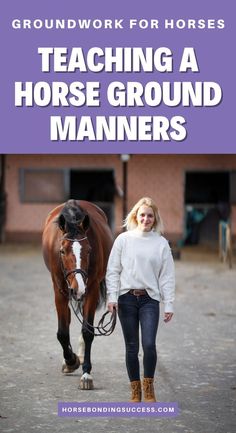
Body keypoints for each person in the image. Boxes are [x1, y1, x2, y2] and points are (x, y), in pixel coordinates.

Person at [106, 197, 175, 402]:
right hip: (126, 299)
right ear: (136, 215)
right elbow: (113, 271)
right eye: (142, 214)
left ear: (155, 219)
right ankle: (135, 391)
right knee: (131, 347)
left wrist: (169, 303)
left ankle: (149, 387)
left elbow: (167, 276)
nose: (146, 218)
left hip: (149, 300)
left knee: (149, 345)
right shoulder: (123, 240)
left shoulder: (161, 243)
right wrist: (112, 297)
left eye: (150, 215)